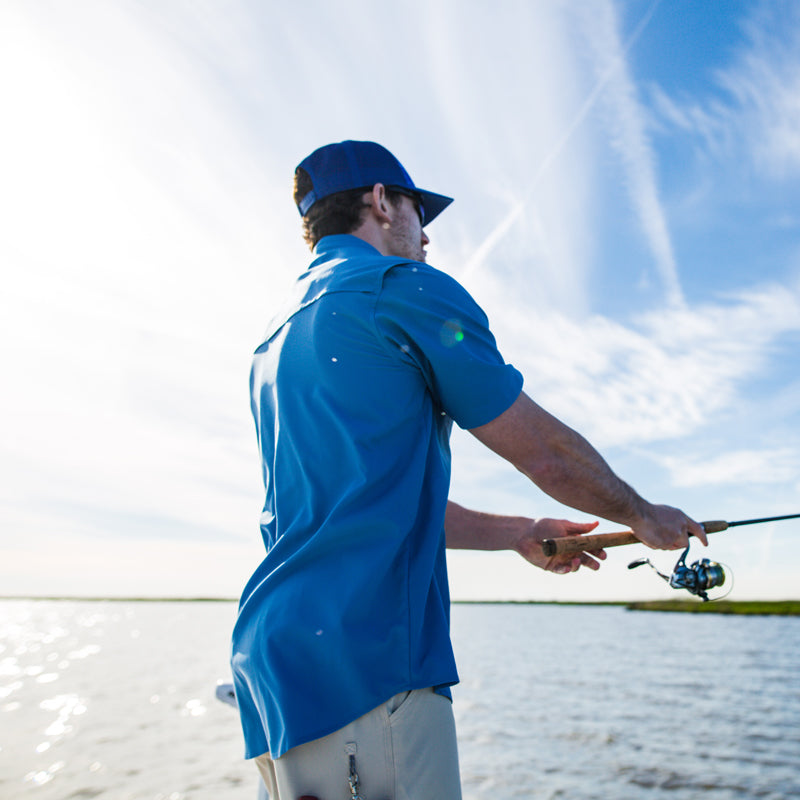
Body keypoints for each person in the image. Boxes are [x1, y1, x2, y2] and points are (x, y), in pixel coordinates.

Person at [230, 140, 706, 800]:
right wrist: (643, 515)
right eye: (419, 213)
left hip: (273, 667)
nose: (427, 238)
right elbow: (539, 449)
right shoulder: (401, 289)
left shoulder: (272, 341)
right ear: (379, 202)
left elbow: (363, 500)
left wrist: (518, 532)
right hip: (367, 665)